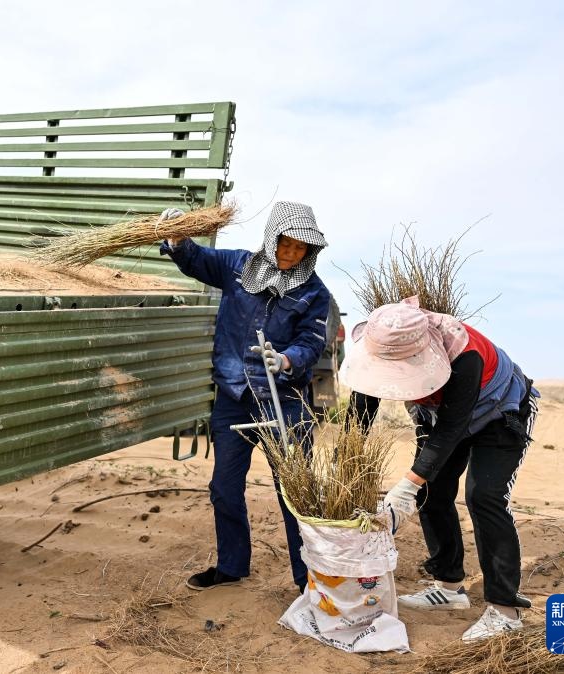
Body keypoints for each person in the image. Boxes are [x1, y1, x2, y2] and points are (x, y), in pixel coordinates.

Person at [339, 296, 539, 642]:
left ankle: (505, 610)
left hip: (499, 414)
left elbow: (451, 429)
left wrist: (405, 487)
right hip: (441, 417)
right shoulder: (380, 347)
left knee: (484, 497)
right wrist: (343, 464)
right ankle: (449, 587)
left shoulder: (465, 356)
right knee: (433, 495)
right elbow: (361, 410)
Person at [159, 201, 331, 594]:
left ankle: (309, 582)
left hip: (283, 403)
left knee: (294, 492)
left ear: (310, 251)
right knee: (224, 488)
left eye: (300, 249)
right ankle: (231, 566)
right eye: (285, 245)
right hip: (234, 397)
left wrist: (287, 359)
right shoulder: (237, 266)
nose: (290, 254)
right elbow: (196, 260)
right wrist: (177, 236)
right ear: (272, 240)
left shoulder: (315, 294)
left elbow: (311, 341)